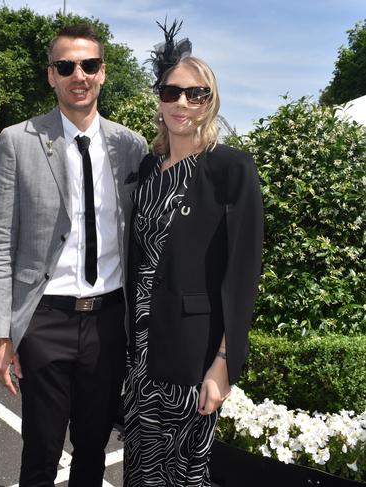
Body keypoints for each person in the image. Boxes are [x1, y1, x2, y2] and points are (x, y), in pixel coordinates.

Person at [0, 24, 147, 487]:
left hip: (108, 320)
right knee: (41, 449)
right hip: (45, 320)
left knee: (94, 448)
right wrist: (0, 332)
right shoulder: (18, 140)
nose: (80, 74)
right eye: (67, 66)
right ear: (51, 75)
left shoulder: (128, 146)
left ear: (103, 73)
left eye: (89, 65)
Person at [123, 21, 263, 487]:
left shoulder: (230, 168)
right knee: (142, 467)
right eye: (171, 93)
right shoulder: (146, 168)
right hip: (140, 348)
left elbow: (242, 273)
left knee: (186, 471)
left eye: (195, 94)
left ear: (211, 101)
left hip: (193, 350)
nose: (181, 103)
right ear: (159, 98)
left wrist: (223, 364)